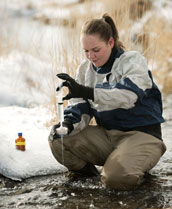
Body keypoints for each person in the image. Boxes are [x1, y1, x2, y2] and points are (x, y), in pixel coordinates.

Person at [48, 13, 166, 190]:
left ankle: (126, 171)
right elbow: (80, 107)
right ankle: (92, 178)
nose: (91, 57)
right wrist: (68, 124)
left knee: (115, 179)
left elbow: (127, 95)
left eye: (96, 50)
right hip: (108, 136)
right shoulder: (85, 70)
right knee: (59, 140)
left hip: (142, 136)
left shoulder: (132, 61)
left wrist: (88, 91)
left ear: (110, 43)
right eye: (86, 51)